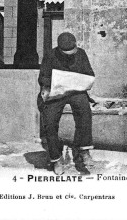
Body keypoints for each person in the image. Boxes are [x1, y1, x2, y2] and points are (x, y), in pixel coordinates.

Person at [38, 32, 95, 175]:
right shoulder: (50, 55)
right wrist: (54, 83)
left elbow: (89, 73)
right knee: (49, 121)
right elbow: (43, 77)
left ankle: (84, 150)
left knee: (84, 111)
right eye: (66, 53)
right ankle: (56, 158)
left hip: (75, 91)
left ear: (76, 46)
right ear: (59, 49)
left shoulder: (81, 54)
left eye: (72, 52)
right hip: (57, 93)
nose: (69, 55)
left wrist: (83, 81)